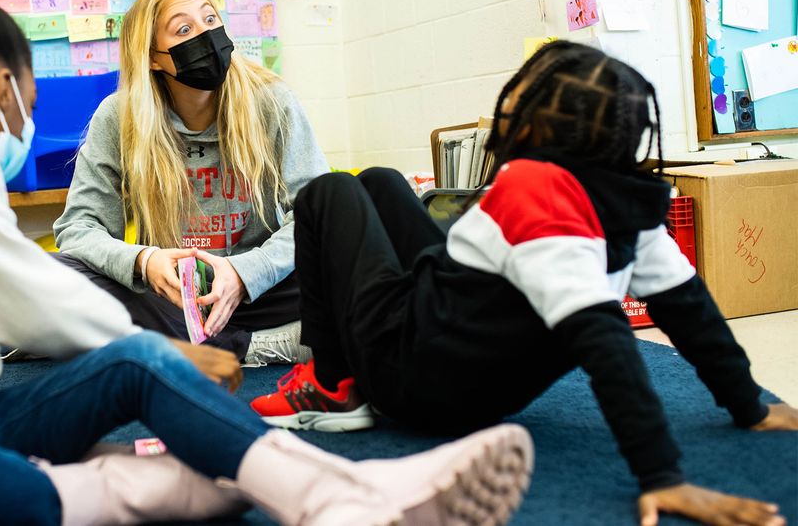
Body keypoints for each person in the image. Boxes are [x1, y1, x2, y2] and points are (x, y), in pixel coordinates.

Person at [0, 0, 535, 526]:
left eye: (213, 20)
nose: (32, 107)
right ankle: (138, 489)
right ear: (6, 86)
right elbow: (36, 287)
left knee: (125, 366)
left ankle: (327, 491)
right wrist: (161, 314)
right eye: (32, 87)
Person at [251, 41, 798, 526]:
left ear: (535, 126)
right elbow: (690, 310)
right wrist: (747, 402)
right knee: (382, 182)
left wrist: (663, 475)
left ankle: (330, 385)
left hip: (411, 376)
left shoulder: (531, 190)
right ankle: (344, 370)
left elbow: (608, 345)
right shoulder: (631, 203)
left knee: (328, 193)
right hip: (466, 370)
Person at [54, 0, 329, 366]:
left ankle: (171, 348)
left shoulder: (272, 101)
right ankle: (250, 348)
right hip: (167, 298)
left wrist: (243, 272)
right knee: (56, 274)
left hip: (260, 289)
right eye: (184, 30)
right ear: (153, 57)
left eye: (211, 20)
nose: (206, 36)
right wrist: (143, 262)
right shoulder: (119, 116)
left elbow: (316, 215)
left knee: (344, 257)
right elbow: (78, 228)